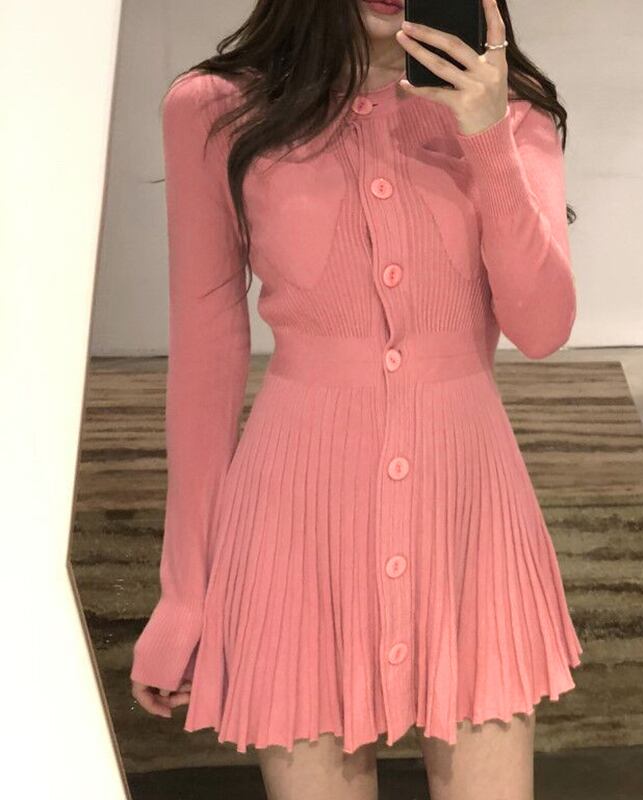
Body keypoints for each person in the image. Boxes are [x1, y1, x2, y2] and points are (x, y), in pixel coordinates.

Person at [130, 0, 582, 796]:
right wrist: (185, 595)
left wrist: (485, 135)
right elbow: (206, 358)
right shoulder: (216, 109)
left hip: (468, 510)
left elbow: (542, 328)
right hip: (294, 525)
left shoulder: (512, 112)